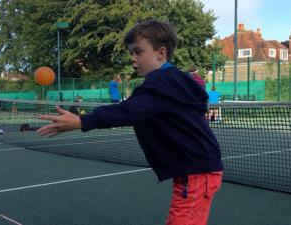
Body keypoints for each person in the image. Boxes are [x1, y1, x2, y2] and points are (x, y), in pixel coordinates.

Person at [37, 20, 223, 225]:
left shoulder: (162, 84)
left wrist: (82, 121)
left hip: (197, 171)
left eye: (138, 51)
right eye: (131, 53)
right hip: (198, 169)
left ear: (161, 53)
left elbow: (130, 110)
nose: (133, 59)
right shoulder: (172, 82)